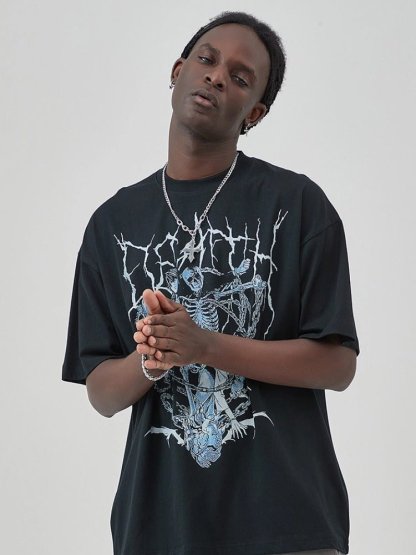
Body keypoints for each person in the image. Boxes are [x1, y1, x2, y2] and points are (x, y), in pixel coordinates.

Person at [62, 10, 359, 555]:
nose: (218, 76)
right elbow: (101, 391)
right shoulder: (112, 225)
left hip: (288, 525)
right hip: (160, 528)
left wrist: (204, 345)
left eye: (241, 78)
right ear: (177, 71)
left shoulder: (297, 206)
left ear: (255, 113)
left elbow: (337, 364)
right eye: (207, 59)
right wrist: (153, 357)